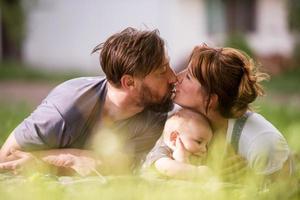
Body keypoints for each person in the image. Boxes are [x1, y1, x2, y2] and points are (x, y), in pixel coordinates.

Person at [0, 27, 177, 175]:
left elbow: (118, 168)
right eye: (162, 72)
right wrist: (69, 159)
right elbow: (5, 158)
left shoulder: (155, 113)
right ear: (129, 83)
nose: (173, 77)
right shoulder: (67, 108)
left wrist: (66, 158)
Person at [173, 44, 292, 180]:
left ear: (209, 100)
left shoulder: (261, 142)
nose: (177, 77)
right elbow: (154, 160)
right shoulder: (182, 119)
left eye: (188, 77)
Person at [142, 108, 213, 180]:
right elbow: (166, 168)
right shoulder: (161, 151)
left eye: (206, 145)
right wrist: (196, 172)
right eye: (199, 142)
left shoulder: (193, 157)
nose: (204, 149)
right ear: (174, 138)